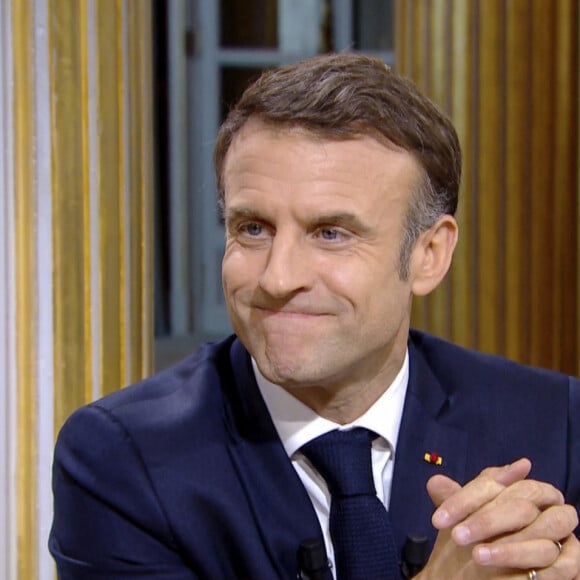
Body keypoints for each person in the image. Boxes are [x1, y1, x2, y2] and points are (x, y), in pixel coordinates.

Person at [49, 53, 580, 580]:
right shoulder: (124, 461)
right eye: (253, 228)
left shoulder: (556, 425)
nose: (278, 278)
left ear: (429, 255)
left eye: (331, 234)